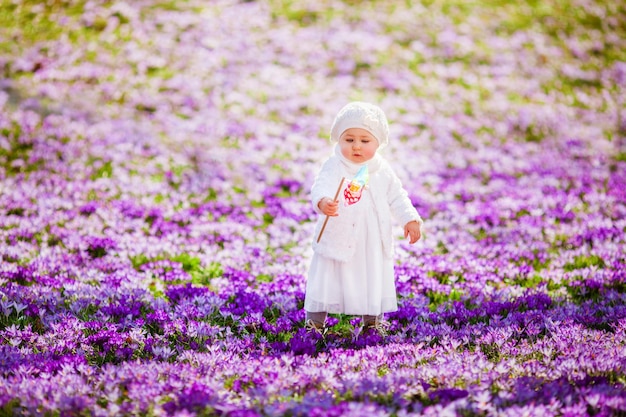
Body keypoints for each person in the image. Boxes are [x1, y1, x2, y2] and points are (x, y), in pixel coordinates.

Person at [304, 101, 423, 336]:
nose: (356, 146)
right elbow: (321, 186)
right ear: (339, 139)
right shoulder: (335, 165)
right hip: (339, 234)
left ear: (378, 143)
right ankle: (315, 323)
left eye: (365, 140)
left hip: (371, 239)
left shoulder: (382, 169)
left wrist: (409, 218)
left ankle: (372, 323)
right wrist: (323, 201)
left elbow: (397, 196)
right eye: (349, 139)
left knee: (372, 276)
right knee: (327, 277)